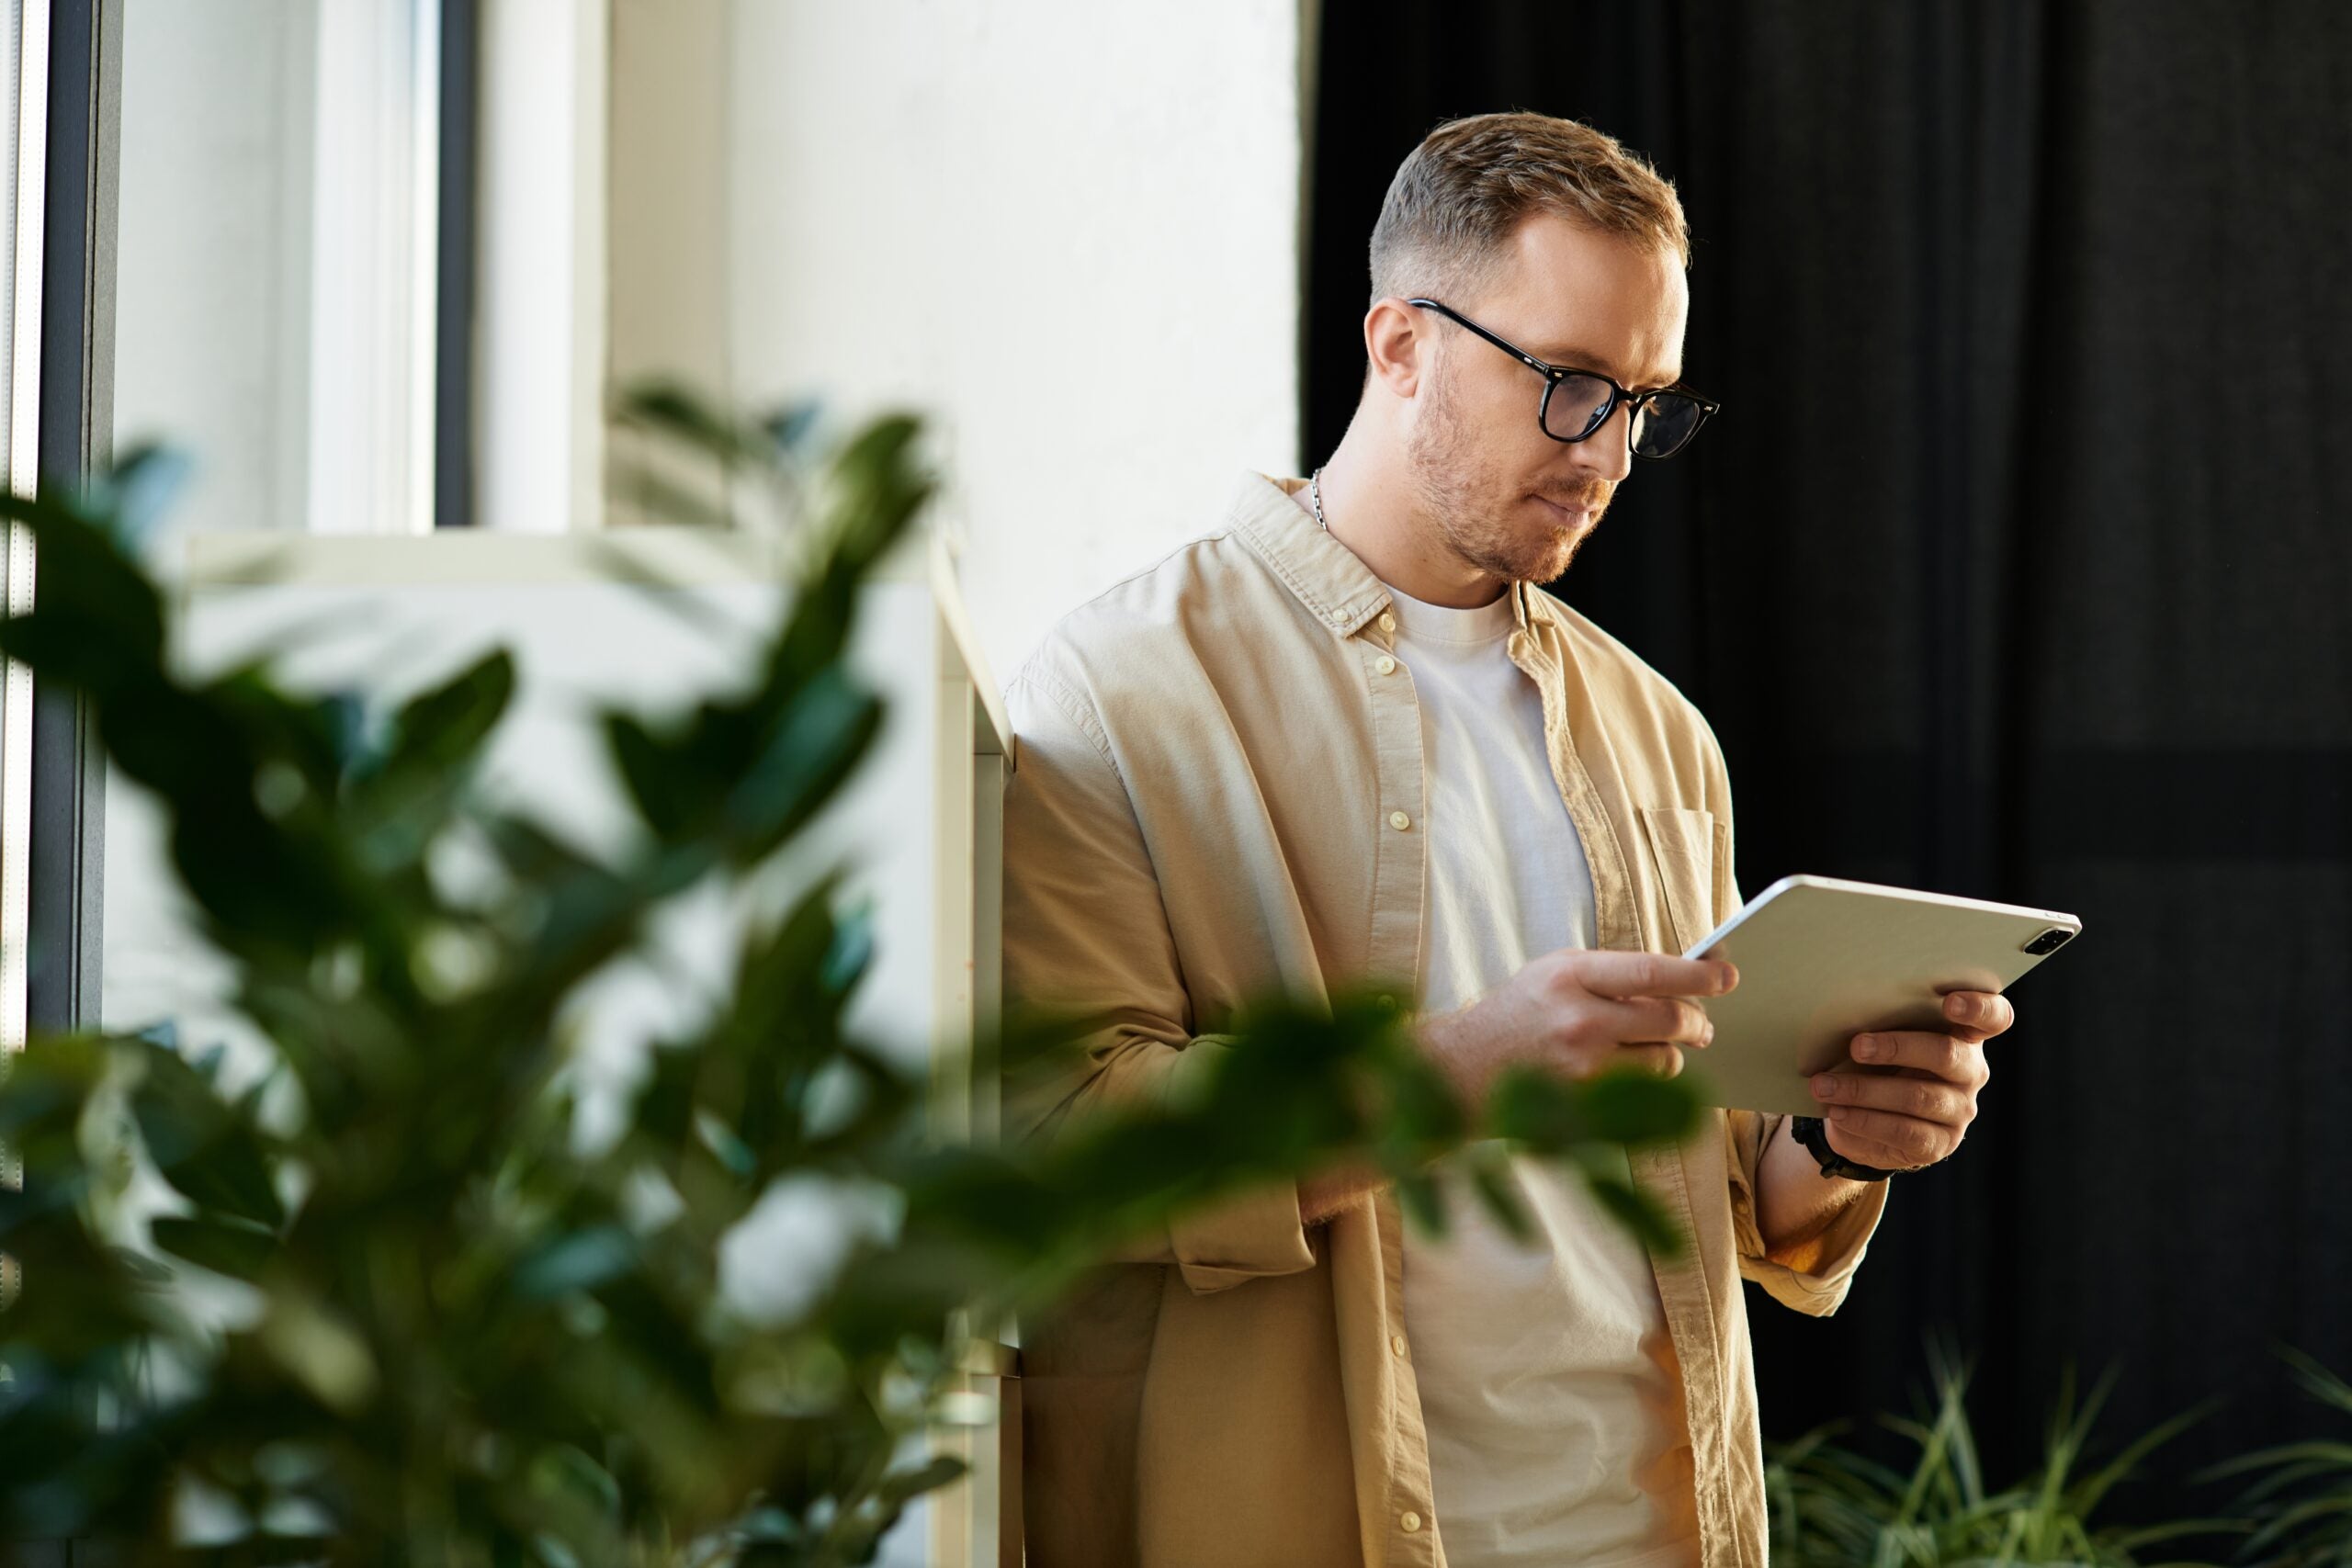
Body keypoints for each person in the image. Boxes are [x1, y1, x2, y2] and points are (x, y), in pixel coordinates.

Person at [999, 111, 2009, 1568]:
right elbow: (1053, 1147)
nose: (1607, 450)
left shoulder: (1657, 729)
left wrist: (1843, 1142)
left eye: (1646, 401)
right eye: (1569, 383)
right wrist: (1456, 1075)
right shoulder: (1115, 687)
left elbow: (1729, 1189)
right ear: (1398, 342)